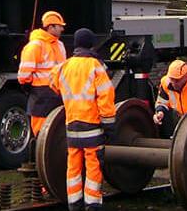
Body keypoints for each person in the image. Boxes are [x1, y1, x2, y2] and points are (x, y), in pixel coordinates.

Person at [50, 28, 115, 211]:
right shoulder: (95, 66)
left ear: (77, 45)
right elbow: (106, 95)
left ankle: (74, 203)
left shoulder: (64, 66)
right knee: (93, 165)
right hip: (92, 125)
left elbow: (53, 82)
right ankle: (92, 204)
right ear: (91, 44)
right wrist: (109, 124)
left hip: (71, 125)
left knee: (74, 167)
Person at [18, 11, 67, 140]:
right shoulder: (35, 46)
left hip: (57, 94)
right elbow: (24, 75)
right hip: (41, 96)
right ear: (50, 27)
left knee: (56, 133)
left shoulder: (60, 45)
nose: (62, 28)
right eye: (59, 26)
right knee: (41, 134)